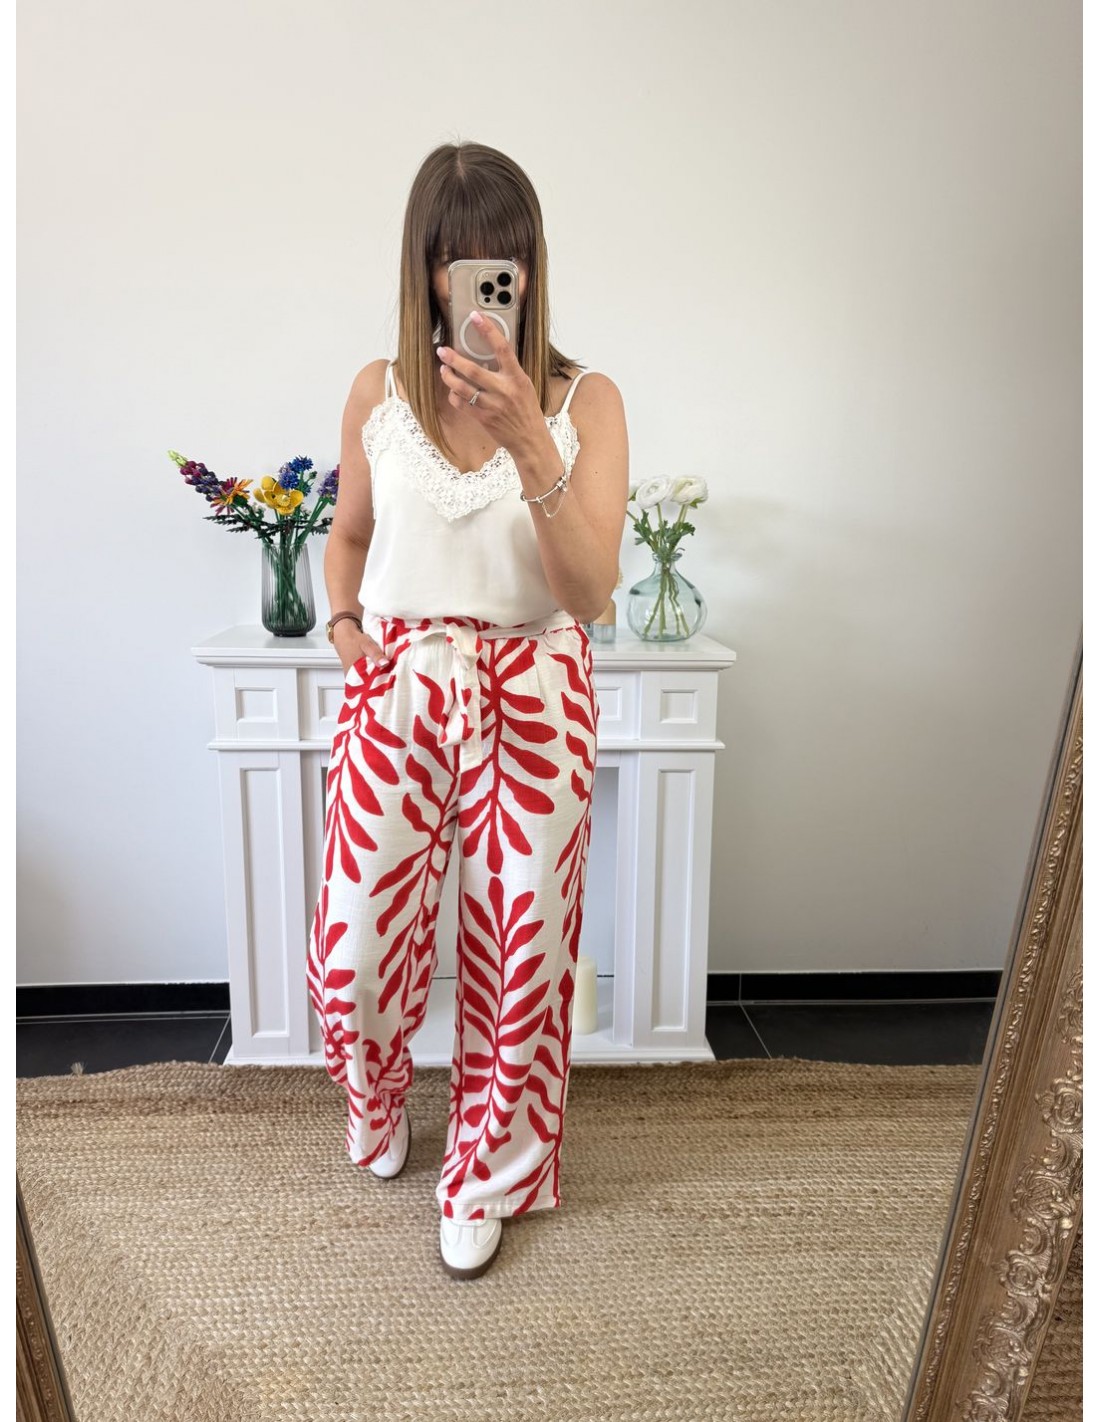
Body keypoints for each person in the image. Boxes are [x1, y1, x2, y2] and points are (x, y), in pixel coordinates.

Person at [306, 140, 629, 1280]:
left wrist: (530, 439)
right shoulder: (377, 393)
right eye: (458, 263)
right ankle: (376, 1093)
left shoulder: (585, 402)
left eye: (503, 261)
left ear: (531, 266)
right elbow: (347, 537)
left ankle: (487, 1172)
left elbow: (589, 594)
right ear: (425, 271)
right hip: (397, 682)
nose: (484, 285)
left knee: (522, 952)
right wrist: (346, 628)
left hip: (533, 685)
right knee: (352, 949)